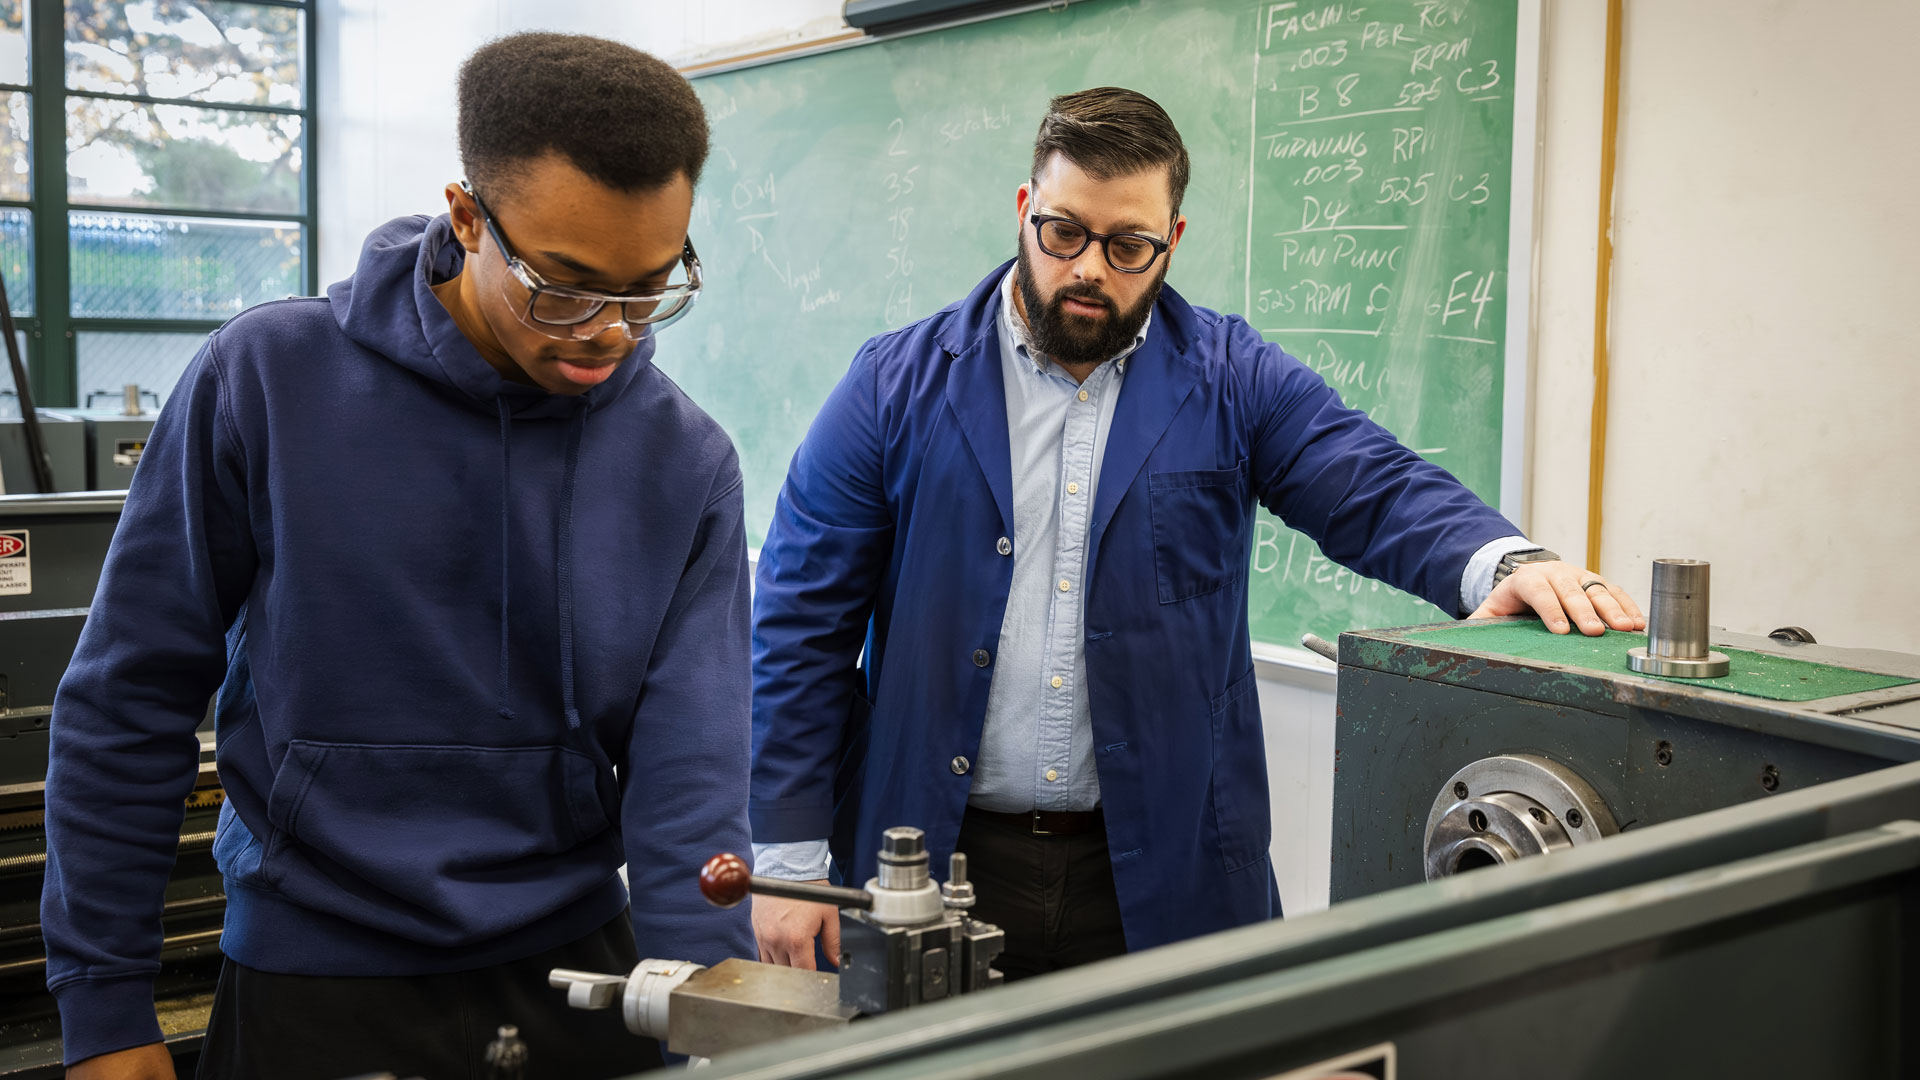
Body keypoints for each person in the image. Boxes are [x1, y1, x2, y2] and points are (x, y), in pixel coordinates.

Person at [747, 87, 1643, 980]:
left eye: (1128, 245)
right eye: (1064, 233)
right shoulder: (892, 386)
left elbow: (1371, 482)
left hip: (1158, 871)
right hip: (932, 862)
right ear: (1025, 211)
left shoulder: (1232, 378)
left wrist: (1504, 560)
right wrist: (787, 859)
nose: (1089, 268)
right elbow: (799, 623)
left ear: (1172, 241)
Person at [42, 33, 751, 1079]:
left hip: (582, 977)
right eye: (566, 286)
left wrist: (715, 1023)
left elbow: (690, 778)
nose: (610, 334)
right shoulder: (267, 380)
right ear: (468, 218)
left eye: (650, 289)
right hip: (311, 980)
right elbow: (128, 699)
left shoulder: (685, 461)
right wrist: (103, 1007)